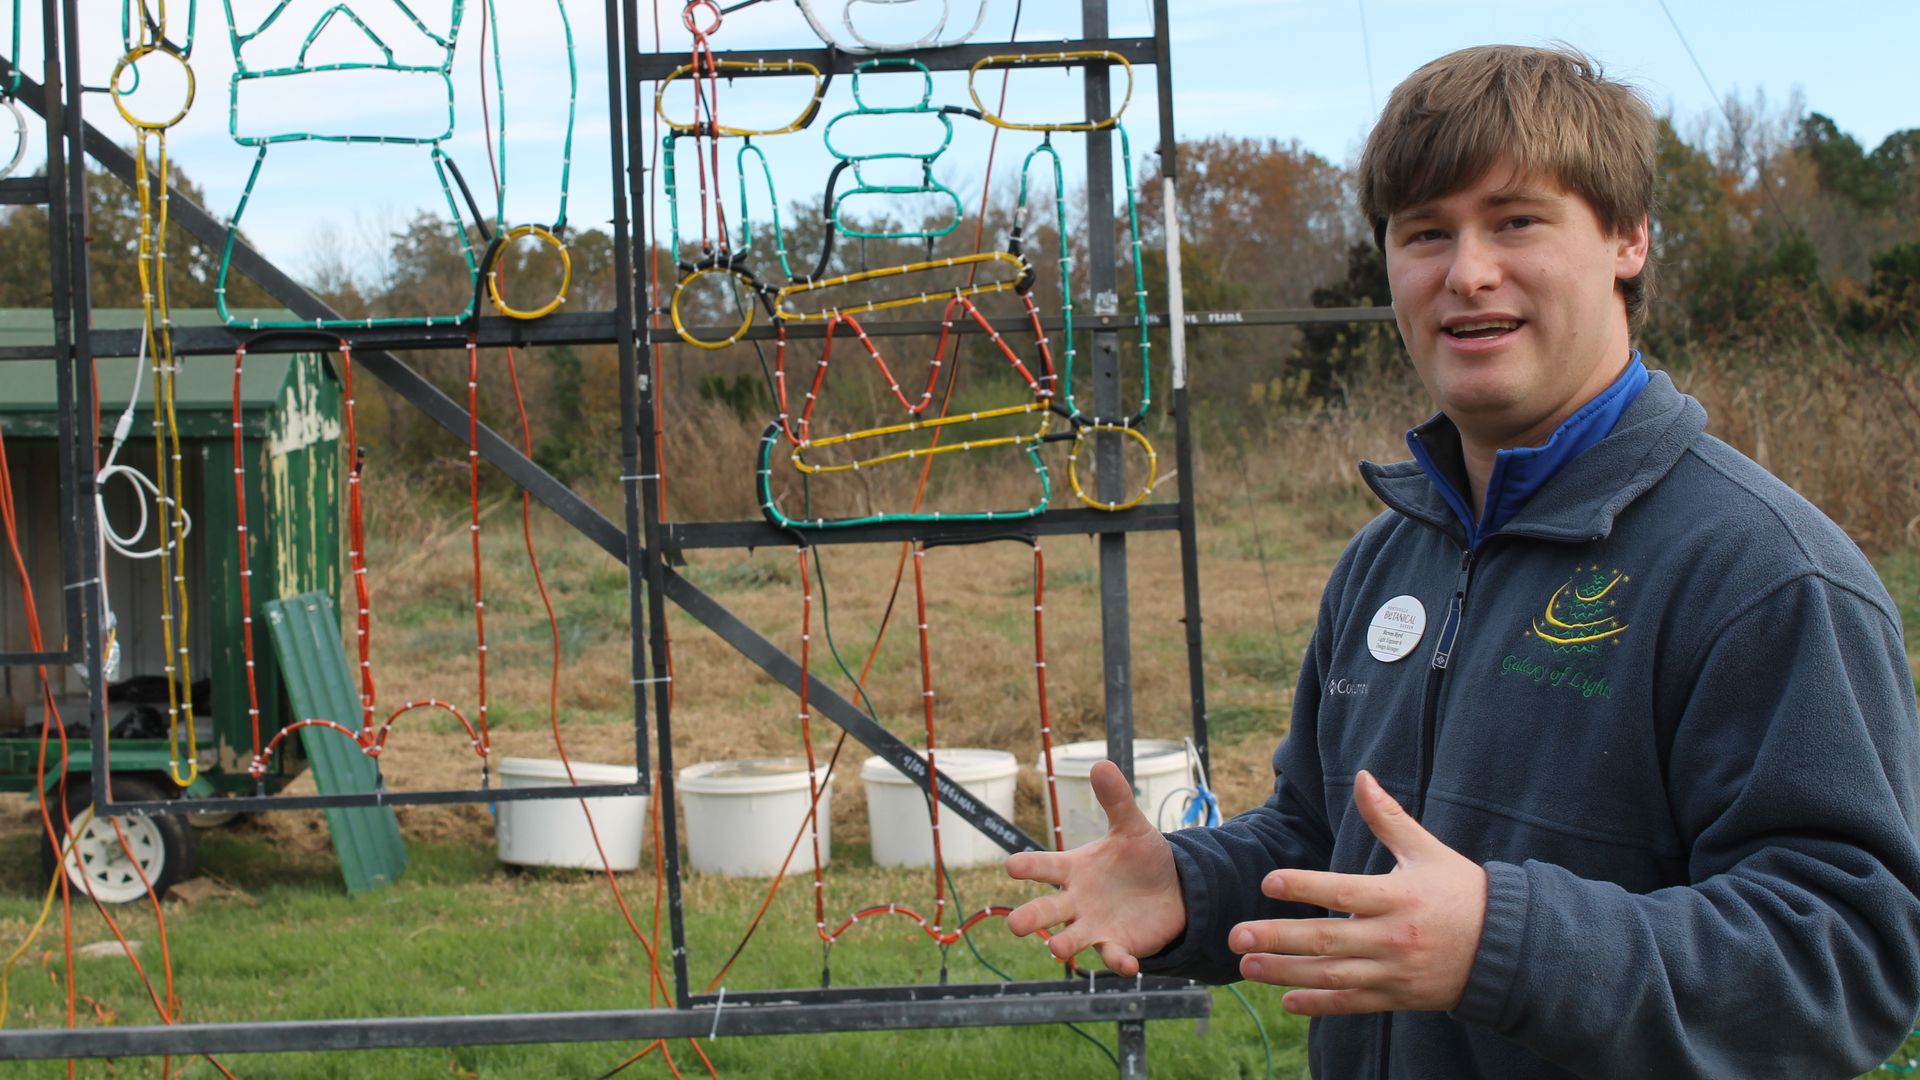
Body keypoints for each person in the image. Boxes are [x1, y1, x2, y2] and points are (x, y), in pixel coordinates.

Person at [1006, 43, 1920, 1078]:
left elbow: (1850, 955)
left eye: (1516, 221)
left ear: (1627, 240)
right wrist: (1195, 884)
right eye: (1425, 233)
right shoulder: (1385, 561)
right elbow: (1322, 837)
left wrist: (1505, 944)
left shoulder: (1764, 575)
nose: (1467, 272)